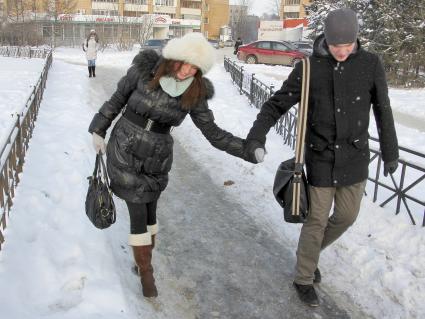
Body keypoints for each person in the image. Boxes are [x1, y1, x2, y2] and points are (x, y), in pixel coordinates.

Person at [244, 8, 399, 307]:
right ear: (325, 41)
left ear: (356, 40)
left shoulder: (370, 64)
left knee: (346, 216)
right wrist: (256, 136)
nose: (342, 51)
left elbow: (383, 109)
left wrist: (390, 152)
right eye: (336, 46)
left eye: (348, 45)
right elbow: (276, 105)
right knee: (316, 219)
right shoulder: (309, 67)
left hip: (354, 157)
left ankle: (309, 254)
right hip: (320, 157)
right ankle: (304, 276)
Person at [88, 33, 252, 298]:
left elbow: (212, 132)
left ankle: (141, 261)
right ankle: (147, 275)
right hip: (126, 146)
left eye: (194, 68)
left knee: (151, 213)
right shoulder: (144, 71)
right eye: (184, 63)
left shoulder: (194, 92)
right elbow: (117, 99)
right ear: (173, 58)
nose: (187, 70)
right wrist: (99, 129)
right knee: (138, 212)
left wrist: (246, 150)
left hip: (157, 155)